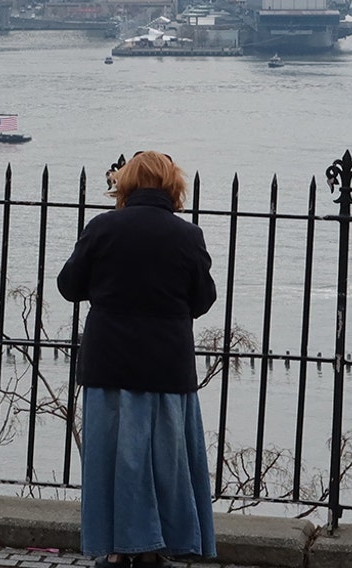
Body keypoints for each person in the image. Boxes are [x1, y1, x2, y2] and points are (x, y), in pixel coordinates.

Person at [58, 151, 218, 566]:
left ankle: (113, 549)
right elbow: (203, 299)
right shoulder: (188, 236)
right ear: (173, 186)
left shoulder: (103, 228)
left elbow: (69, 285)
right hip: (167, 365)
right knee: (164, 463)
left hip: (110, 362)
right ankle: (155, 547)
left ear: (124, 184)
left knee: (111, 463)